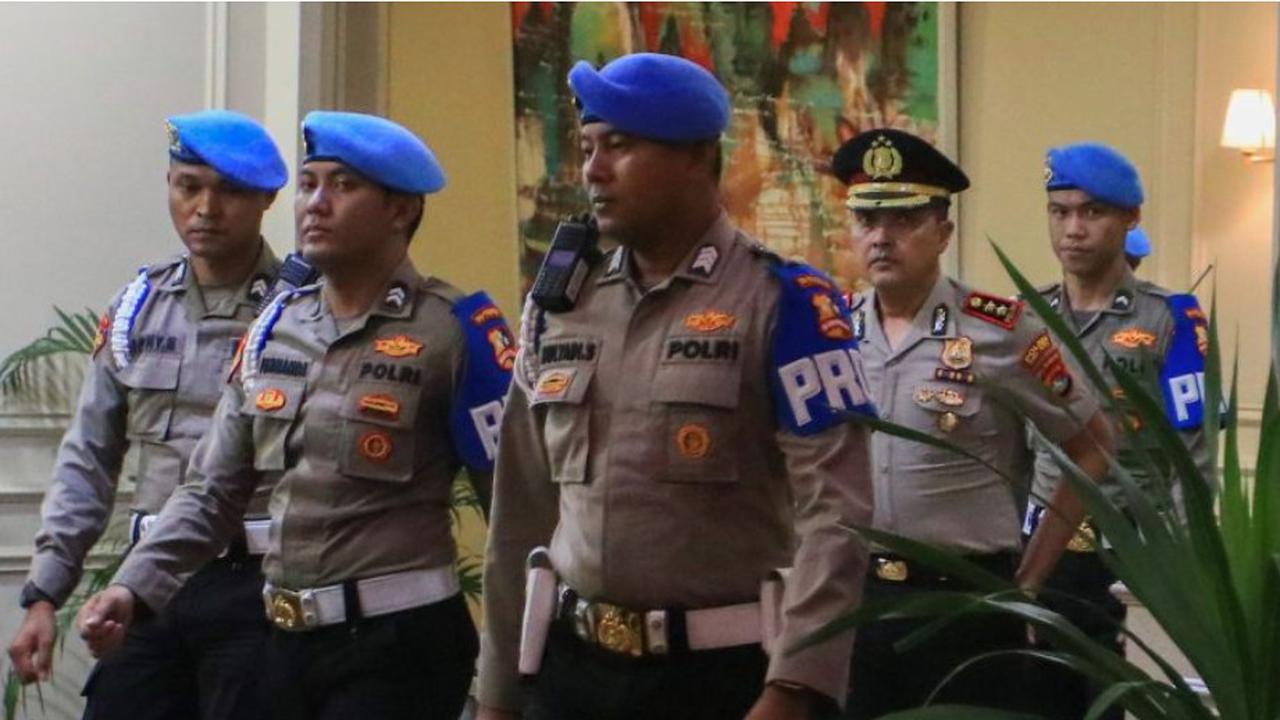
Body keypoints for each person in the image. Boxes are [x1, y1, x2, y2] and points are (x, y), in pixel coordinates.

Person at [74, 110, 514, 720]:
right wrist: (133, 585)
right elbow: (211, 491)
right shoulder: (274, 328)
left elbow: (514, 517)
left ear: (400, 210)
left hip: (398, 645)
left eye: (343, 185)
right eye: (308, 184)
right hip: (284, 640)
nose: (316, 204)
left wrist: (506, 684)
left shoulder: (455, 331)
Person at [475, 53, 876, 720]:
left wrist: (796, 686)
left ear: (696, 157)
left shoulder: (783, 300)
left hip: (718, 678)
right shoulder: (560, 308)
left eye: (619, 146)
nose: (593, 170)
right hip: (570, 672)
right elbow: (519, 513)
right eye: (588, 148)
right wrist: (495, 694)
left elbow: (836, 514)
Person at [6, 110, 285, 720]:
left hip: (256, 587)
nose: (205, 208)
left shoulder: (298, 315)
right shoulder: (138, 307)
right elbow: (88, 457)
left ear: (267, 198)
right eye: (188, 187)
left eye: (229, 191)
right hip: (150, 584)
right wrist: (45, 593)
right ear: (169, 185)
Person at [832, 128, 1115, 719]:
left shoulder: (997, 329)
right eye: (866, 219)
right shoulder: (833, 333)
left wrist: (1030, 580)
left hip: (965, 603)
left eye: (904, 219)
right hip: (857, 601)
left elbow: (1093, 443)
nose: (881, 237)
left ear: (943, 232)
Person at [1027, 142, 1214, 720]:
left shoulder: (1170, 318)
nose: (1073, 229)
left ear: (1130, 218)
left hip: (1131, 559)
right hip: (1042, 554)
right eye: (1060, 212)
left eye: (1093, 212)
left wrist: (1176, 577)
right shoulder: (1024, 316)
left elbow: (1193, 462)